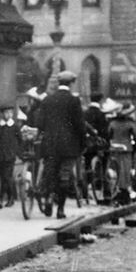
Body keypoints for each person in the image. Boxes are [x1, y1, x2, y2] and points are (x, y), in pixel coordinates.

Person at [34, 70, 85, 218]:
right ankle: (60, 210)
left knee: (50, 173)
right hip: (69, 146)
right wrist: (82, 143)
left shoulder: (48, 99)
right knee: (64, 176)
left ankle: (49, 199)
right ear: (71, 83)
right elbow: (79, 125)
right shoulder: (74, 100)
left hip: (50, 145)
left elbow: (40, 123)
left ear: (58, 83)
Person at [0, 103, 22, 209]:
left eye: (10, 112)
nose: (9, 115)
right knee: (4, 177)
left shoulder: (15, 127)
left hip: (10, 156)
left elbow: (20, 141)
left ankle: (1, 199)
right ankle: (10, 197)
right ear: (2, 114)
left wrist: (16, 151)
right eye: (6, 113)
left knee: (7, 176)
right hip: (0, 156)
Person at [107, 103, 136, 205]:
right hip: (126, 149)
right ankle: (123, 191)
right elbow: (135, 137)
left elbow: (109, 135)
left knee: (114, 170)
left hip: (114, 148)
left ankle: (114, 191)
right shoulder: (130, 124)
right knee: (125, 171)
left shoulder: (112, 123)